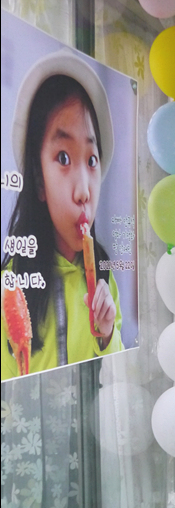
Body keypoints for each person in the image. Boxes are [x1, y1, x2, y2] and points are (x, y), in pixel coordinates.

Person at [1, 50, 123, 379]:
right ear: (39, 180)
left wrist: (107, 335)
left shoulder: (104, 274)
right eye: (64, 158)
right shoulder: (10, 287)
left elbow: (117, 377)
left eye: (92, 160)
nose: (83, 191)